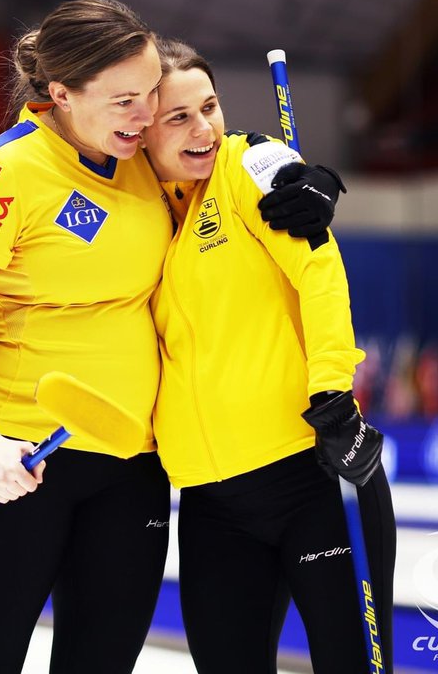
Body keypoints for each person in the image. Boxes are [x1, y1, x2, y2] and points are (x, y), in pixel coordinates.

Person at [0, 0, 345, 674]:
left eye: (149, 95)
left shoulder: (144, 160)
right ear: (61, 94)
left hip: (129, 467)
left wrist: (301, 181)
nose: (145, 115)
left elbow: (226, 161)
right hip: (18, 456)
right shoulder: (5, 173)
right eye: (124, 101)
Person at [141, 37, 395, 674]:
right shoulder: (145, 211)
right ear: (139, 129)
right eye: (179, 117)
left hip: (312, 474)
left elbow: (320, 273)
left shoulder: (245, 161)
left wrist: (335, 394)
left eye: (210, 106)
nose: (203, 128)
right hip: (209, 504)